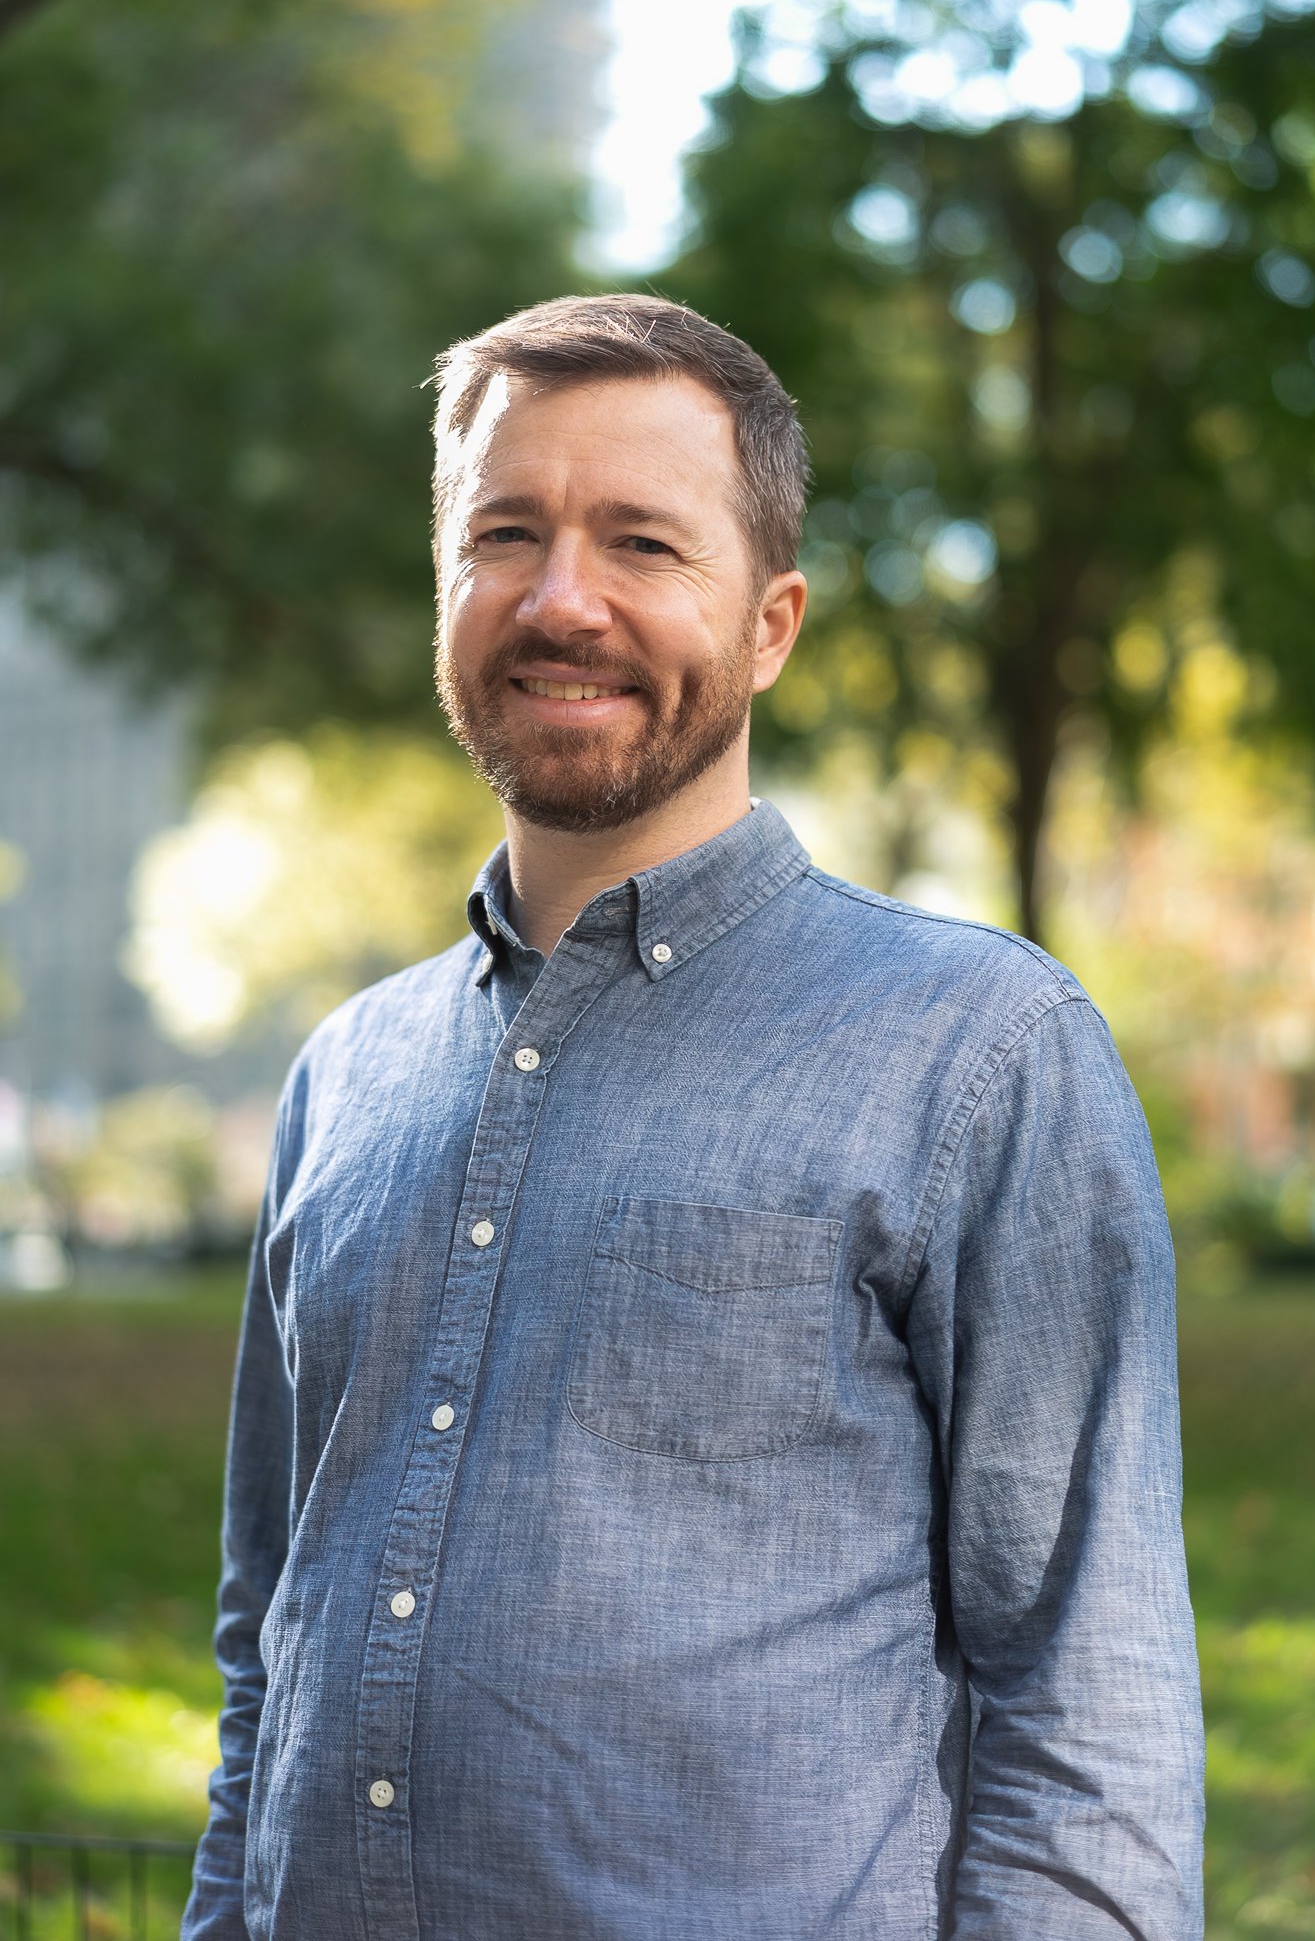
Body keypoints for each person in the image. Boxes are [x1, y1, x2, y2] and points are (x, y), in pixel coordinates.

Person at [184, 294, 1204, 1940]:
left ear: (770, 623)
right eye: (504, 532)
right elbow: (265, 1642)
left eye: (643, 543)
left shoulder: (979, 1048)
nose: (560, 598)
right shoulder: (344, 1076)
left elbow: (1089, 1709)